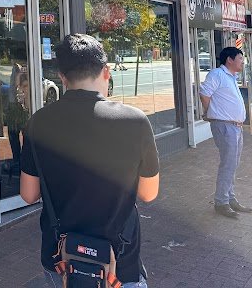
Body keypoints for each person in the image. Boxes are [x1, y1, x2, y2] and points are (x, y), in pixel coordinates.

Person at [20, 34, 159, 288]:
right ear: (106, 71)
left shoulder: (37, 122)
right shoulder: (135, 121)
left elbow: (29, 194)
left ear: (62, 77)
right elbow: (148, 193)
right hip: (118, 262)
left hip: (62, 260)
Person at [199, 46, 251, 219]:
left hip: (235, 127)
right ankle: (221, 202)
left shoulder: (231, 77)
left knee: (232, 164)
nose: (242, 62)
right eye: (240, 58)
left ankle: (230, 198)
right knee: (228, 164)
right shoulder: (217, 74)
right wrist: (210, 112)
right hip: (225, 126)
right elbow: (204, 93)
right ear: (229, 59)